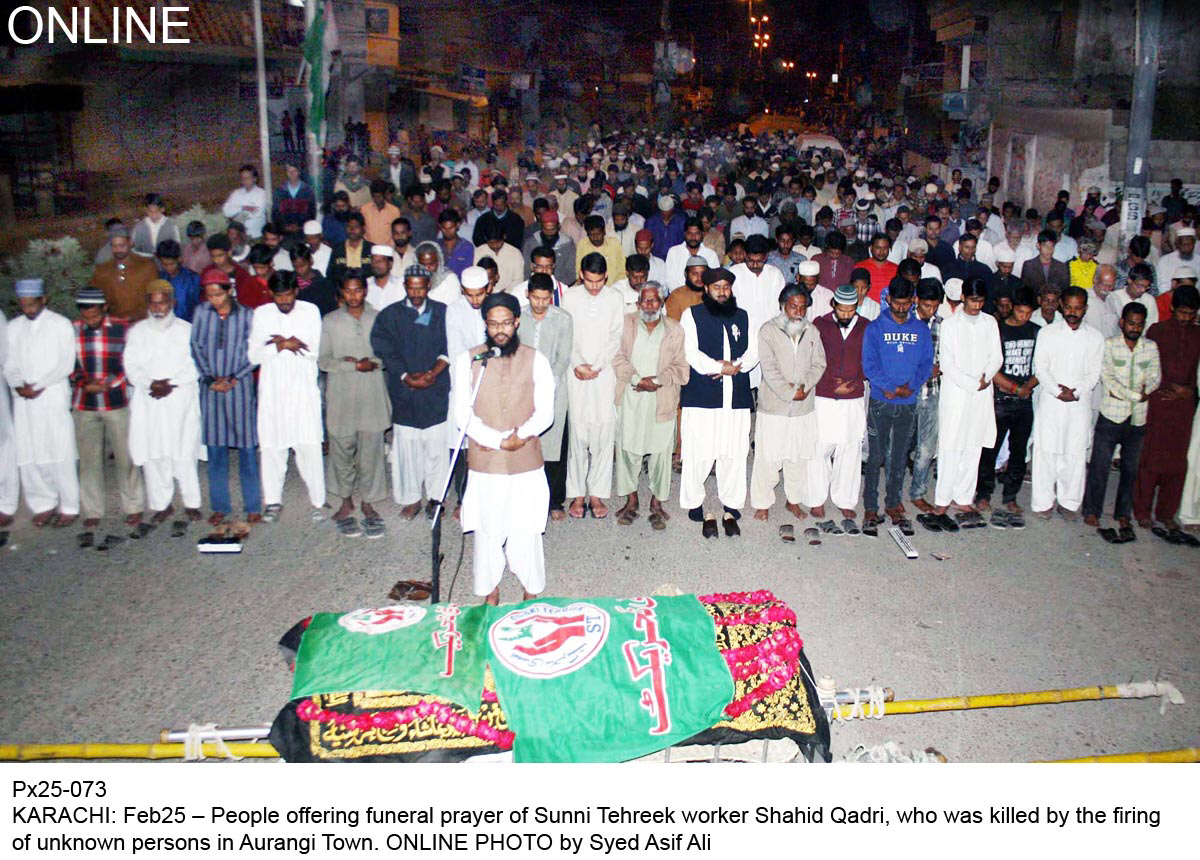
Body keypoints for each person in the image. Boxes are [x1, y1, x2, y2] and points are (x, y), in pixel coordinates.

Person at [454, 292, 555, 605]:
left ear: (517, 322)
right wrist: (498, 440)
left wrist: (519, 435)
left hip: (526, 458)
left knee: (526, 526)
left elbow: (546, 411)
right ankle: (489, 589)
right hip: (486, 462)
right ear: (485, 324)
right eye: (493, 323)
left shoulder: (536, 359)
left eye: (506, 323)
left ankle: (531, 586)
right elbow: (461, 414)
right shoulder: (468, 360)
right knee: (488, 528)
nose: (500, 329)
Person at [678, 267, 758, 538]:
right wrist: (716, 367)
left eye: (726, 287)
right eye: (717, 287)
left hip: (735, 394)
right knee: (698, 449)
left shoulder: (743, 316)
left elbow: (754, 349)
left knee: (734, 450)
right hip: (703, 393)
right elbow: (689, 350)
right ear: (706, 290)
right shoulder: (692, 315)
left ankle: (732, 501)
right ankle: (693, 501)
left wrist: (736, 366)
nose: (722, 292)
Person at [370, 264, 451, 519]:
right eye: (411, 287)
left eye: (421, 287)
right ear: (405, 286)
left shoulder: (442, 313)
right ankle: (411, 498)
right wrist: (405, 375)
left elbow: (450, 346)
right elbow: (384, 348)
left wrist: (432, 374)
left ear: (429, 287)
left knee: (437, 449)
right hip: (404, 391)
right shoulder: (389, 315)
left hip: (435, 389)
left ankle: (437, 498)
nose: (416, 293)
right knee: (407, 450)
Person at [247, 271, 326, 523]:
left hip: (302, 389)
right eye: (279, 296)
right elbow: (253, 356)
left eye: (288, 294)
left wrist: (289, 344)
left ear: (296, 291)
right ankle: (272, 502)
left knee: (309, 445)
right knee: (271, 446)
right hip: (273, 391)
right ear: (271, 294)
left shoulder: (310, 311)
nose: (284, 300)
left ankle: (318, 502)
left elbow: (314, 350)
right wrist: (280, 345)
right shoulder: (262, 314)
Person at [124, 280, 203, 524]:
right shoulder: (137, 332)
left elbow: (196, 365)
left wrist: (169, 383)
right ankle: (161, 504)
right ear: (148, 304)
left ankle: (191, 502)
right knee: (154, 453)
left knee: (184, 451)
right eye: (153, 302)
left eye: (163, 302)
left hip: (180, 399)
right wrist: (150, 384)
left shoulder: (187, 330)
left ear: (173, 303)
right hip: (149, 400)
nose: (158, 307)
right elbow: (131, 366)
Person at [3, 279, 79, 526]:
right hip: (24, 399)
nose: (28, 309)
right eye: (24, 305)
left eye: (32, 303)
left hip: (52, 395)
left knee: (60, 450)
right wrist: (17, 385)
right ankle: (42, 503)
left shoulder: (60, 325)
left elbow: (65, 364)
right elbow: (8, 363)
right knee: (30, 451)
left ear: (43, 299)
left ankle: (69, 505)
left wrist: (38, 386)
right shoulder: (13, 328)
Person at [612, 283, 688, 530]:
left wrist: (655, 381)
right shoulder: (626, 324)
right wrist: (637, 380)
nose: (650, 305)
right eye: (645, 301)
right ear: (638, 303)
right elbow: (617, 356)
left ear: (662, 302)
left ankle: (656, 503)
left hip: (661, 395)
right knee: (627, 449)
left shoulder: (675, 330)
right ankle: (631, 500)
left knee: (660, 452)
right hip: (632, 395)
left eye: (655, 300)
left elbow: (681, 367)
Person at [319, 275, 390, 538]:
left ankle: (369, 502)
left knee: (371, 450)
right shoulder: (331, 320)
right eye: (348, 291)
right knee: (341, 448)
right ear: (342, 293)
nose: (353, 296)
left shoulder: (378, 317)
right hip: (342, 394)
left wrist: (371, 362)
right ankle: (346, 499)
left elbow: (387, 353)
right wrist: (352, 365)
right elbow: (323, 360)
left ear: (364, 290)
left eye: (357, 290)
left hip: (371, 391)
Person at [861, 278, 934, 535]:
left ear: (912, 301)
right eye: (897, 303)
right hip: (882, 400)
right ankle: (871, 505)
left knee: (900, 455)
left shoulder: (921, 329)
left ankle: (893, 503)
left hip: (907, 402)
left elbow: (927, 363)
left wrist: (910, 387)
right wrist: (889, 387)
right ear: (888, 299)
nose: (902, 309)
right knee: (877, 455)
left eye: (906, 304)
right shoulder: (875, 328)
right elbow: (869, 365)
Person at [1082, 302, 1161, 536]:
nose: (1135, 327)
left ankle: (1123, 514)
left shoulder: (1151, 348)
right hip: (1111, 415)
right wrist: (1137, 394)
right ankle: (1092, 510)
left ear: (1143, 325)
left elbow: (1155, 376)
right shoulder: (1109, 346)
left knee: (1130, 468)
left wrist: (1148, 388)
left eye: (1139, 324)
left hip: (1138, 419)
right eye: (1131, 322)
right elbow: (1108, 378)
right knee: (1100, 465)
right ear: (1122, 323)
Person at [749, 284, 827, 522]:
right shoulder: (768, 331)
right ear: (782, 306)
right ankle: (762, 502)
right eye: (793, 306)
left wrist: (805, 387)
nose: (798, 312)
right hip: (775, 406)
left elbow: (819, 363)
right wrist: (790, 392)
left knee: (798, 457)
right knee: (768, 456)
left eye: (803, 307)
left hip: (803, 407)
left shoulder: (812, 331)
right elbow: (769, 369)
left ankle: (793, 500)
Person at [928, 278, 1001, 529]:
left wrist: (985, 378)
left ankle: (963, 497)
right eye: (972, 300)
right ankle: (942, 499)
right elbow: (947, 364)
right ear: (963, 298)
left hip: (981, 393)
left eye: (980, 300)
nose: (976, 305)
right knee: (950, 445)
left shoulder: (990, 323)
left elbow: (996, 357)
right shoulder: (950, 325)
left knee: (973, 446)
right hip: (957, 393)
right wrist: (972, 383)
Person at [191, 268, 261, 525]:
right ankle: (221, 506)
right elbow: (196, 347)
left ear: (229, 291)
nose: (214, 300)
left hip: (239, 388)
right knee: (216, 450)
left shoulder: (247, 316)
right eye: (209, 296)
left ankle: (253, 505)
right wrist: (210, 378)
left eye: (218, 295)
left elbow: (254, 353)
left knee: (246, 449)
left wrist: (233, 377)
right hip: (211, 390)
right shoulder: (201, 313)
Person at [70, 286, 144, 530]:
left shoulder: (123, 328)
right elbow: (68, 362)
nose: (90, 320)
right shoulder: (74, 329)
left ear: (105, 308)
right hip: (85, 402)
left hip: (116, 401)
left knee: (126, 456)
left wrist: (108, 383)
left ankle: (133, 505)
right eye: (86, 316)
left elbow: (130, 362)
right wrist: (83, 383)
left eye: (95, 315)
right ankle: (92, 509)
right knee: (89, 459)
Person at [1031, 287, 1105, 520]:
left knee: (1074, 451)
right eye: (1069, 307)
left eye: (1078, 307)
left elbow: (1094, 372)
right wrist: (1056, 390)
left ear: (1085, 308)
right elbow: (1040, 367)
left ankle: (1069, 501)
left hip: (1079, 402)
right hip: (1051, 400)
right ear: (1061, 305)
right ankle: (1042, 501)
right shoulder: (1048, 333)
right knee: (1046, 450)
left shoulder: (1095, 337)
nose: (1073, 312)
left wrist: (1077, 392)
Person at [561, 252, 624, 518]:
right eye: (589, 281)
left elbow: (616, 336)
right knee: (577, 433)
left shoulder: (615, 298)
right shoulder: (571, 296)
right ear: (581, 276)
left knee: (603, 433)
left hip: (603, 373)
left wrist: (596, 366)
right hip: (575, 373)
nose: (594, 287)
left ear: (606, 277)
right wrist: (578, 364)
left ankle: (597, 495)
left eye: (599, 281)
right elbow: (567, 333)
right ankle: (576, 495)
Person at [1133, 285, 1200, 530]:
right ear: (1172, 308)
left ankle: (1166, 512)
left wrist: (1190, 391)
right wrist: (1162, 387)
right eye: (1182, 312)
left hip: (1184, 407)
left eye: (1190, 314)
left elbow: (1197, 373)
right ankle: (1142, 511)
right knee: (1151, 459)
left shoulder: (1197, 334)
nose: (1185, 318)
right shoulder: (1157, 331)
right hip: (1159, 402)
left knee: (1177, 462)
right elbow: (1145, 366)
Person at [975, 286, 1040, 524]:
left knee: (1019, 450)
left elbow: (1041, 365)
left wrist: (1027, 387)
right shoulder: (999, 331)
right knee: (990, 448)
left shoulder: (1036, 332)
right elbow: (991, 367)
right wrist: (1013, 388)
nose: (1024, 317)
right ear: (1012, 307)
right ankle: (983, 493)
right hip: (1001, 400)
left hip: (1024, 401)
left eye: (1029, 312)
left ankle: (1010, 495)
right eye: (1021, 311)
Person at [805, 284, 868, 526]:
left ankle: (845, 500)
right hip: (823, 395)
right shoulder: (820, 325)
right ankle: (816, 497)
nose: (845, 314)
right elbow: (813, 360)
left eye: (850, 310)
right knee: (820, 446)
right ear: (833, 305)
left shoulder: (866, 327)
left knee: (850, 447)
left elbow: (870, 360)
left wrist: (853, 382)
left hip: (853, 397)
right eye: (841, 310)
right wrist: (833, 385)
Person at [522, 274, 573, 520]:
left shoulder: (563, 319)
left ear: (552, 296)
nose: (540, 304)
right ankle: (526, 499)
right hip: (522, 391)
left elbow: (563, 357)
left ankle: (555, 502)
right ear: (527, 294)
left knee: (554, 448)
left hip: (554, 389)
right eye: (535, 298)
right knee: (526, 446)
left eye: (545, 299)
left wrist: (544, 386)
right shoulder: (518, 316)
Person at [731, 234, 786, 388]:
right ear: (744, 256)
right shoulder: (735, 273)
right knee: (743, 377)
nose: (755, 265)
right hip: (742, 332)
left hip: (769, 333)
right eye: (750, 261)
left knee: (769, 377)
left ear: (766, 257)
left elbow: (781, 308)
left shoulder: (775, 274)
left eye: (759, 261)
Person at [908, 279, 944, 514]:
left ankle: (918, 492)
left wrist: (940, 366)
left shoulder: (943, 325)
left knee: (926, 448)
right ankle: (892, 496)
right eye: (926, 306)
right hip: (906, 394)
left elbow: (950, 356)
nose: (930, 311)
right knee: (897, 447)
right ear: (916, 300)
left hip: (931, 393)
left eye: (935, 306)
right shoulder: (904, 322)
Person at [91, 224, 159, 322]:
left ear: (130, 243)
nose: (118, 250)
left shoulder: (147, 266)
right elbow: (97, 299)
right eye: (114, 246)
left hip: (143, 323)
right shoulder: (102, 270)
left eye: (122, 245)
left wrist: (134, 316)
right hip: (114, 324)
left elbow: (154, 297)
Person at [522, 210, 576, 286]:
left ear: (558, 227)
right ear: (541, 226)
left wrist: (556, 285)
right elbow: (526, 270)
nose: (549, 233)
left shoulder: (567, 245)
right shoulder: (531, 243)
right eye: (546, 229)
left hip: (560, 287)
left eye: (552, 230)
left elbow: (571, 273)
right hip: (535, 285)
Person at [664, 217, 719, 288]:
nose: (693, 237)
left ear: (702, 234)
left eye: (696, 234)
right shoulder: (674, 252)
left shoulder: (711, 255)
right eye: (690, 234)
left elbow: (714, 280)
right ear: (684, 234)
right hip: (679, 295)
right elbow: (669, 279)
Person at [155, 239, 202, 322]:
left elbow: (199, 307)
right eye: (164, 264)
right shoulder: (160, 279)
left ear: (179, 259)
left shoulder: (193, 279)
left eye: (171, 264)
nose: (168, 268)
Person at [475, 220, 525, 294]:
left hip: (510, 294)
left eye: (498, 242)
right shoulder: (479, 252)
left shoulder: (515, 253)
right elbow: (476, 275)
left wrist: (506, 292)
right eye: (491, 243)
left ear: (504, 237)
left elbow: (518, 279)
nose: (495, 246)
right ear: (486, 239)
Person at [290, 245, 339, 316]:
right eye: (295, 266)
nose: (299, 270)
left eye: (303, 266)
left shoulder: (325, 285)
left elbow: (330, 312)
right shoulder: (290, 282)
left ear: (311, 261)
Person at [222, 164, 269, 239]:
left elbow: (256, 213)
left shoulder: (262, 193)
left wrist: (234, 217)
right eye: (243, 178)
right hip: (238, 237)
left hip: (255, 236)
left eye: (248, 178)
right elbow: (226, 211)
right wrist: (243, 208)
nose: (245, 181)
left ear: (255, 179)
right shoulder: (236, 193)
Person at [272, 163, 317, 238]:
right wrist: (284, 227)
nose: (292, 174)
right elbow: (276, 212)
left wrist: (300, 226)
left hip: (303, 232)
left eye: (294, 171)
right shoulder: (279, 191)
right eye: (289, 171)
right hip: (285, 233)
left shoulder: (307, 191)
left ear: (299, 172)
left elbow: (312, 212)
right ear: (286, 173)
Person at [131, 193, 180, 257]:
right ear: (146, 210)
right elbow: (133, 249)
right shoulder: (139, 227)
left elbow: (177, 249)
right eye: (150, 212)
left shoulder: (171, 226)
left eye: (156, 212)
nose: (153, 216)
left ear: (162, 209)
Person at [665, 255, 708, 321]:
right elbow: (673, 325)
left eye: (703, 273)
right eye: (694, 273)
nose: (699, 278)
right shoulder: (677, 296)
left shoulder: (714, 294)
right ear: (686, 274)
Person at [361, 179, 401, 247]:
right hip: (369, 248)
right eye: (374, 197)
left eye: (379, 197)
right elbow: (362, 231)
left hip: (388, 249)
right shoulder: (364, 210)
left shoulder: (394, 211)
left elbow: (396, 232)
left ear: (385, 195)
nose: (377, 200)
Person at [436, 208, 474, 278]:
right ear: (440, 227)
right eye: (444, 228)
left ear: (458, 225)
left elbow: (467, 273)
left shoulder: (467, 247)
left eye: (451, 228)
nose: (447, 232)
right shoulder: (436, 247)